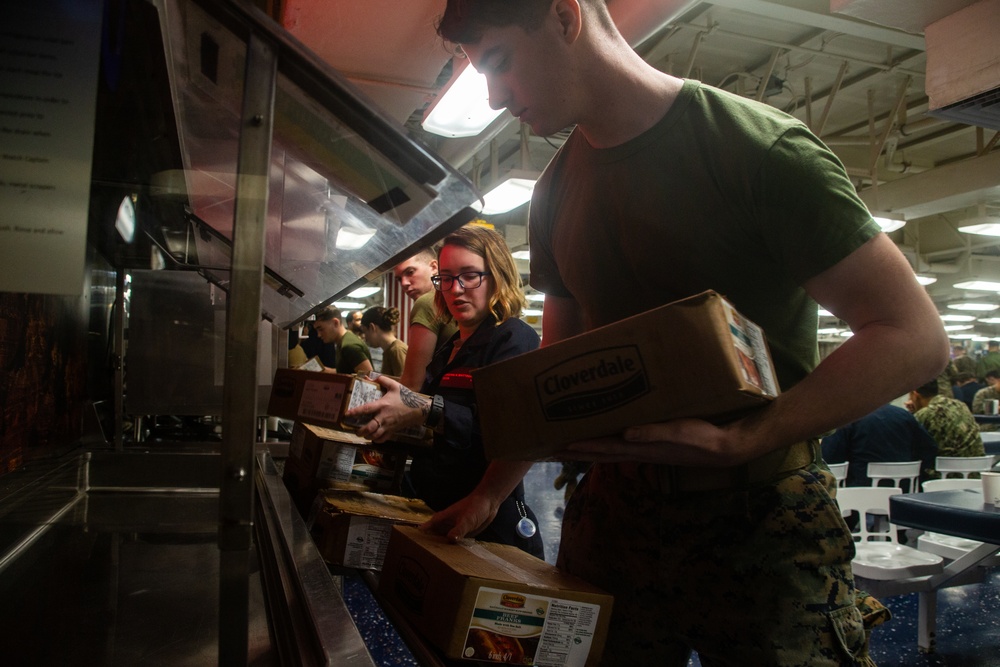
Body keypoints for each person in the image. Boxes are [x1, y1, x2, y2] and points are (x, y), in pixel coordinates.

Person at [431, 2, 949, 665]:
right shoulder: (555, 192)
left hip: (762, 519)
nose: (496, 95)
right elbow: (559, 376)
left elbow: (914, 334)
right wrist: (489, 495)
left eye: (499, 61)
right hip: (617, 517)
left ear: (565, 17)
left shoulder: (758, 150)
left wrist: (748, 437)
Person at [347, 225, 544, 558]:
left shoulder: (513, 338)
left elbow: (500, 432)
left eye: (469, 276)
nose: (456, 289)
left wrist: (425, 408)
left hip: (483, 518)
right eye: (447, 278)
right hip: (436, 504)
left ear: (496, 276)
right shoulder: (451, 346)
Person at [821, 404, 938, 490]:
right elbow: (930, 449)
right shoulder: (904, 415)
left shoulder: (847, 418)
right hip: (905, 493)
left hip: (860, 498)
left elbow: (829, 459)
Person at [393, 247, 460, 390]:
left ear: (434, 267)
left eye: (410, 272)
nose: (404, 283)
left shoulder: (426, 302)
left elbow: (412, 385)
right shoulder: (453, 299)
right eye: (399, 279)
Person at [907, 378, 986, 474]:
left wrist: (913, 413)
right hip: (975, 472)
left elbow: (912, 445)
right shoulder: (960, 405)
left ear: (915, 394)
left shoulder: (926, 414)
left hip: (945, 476)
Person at [312, 307, 373, 375]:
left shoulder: (349, 346)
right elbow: (347, 372)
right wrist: (327, 371)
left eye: (321, 329)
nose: (319, 335)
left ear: (335, 322)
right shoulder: (343, 341)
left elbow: (368, 377)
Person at [360, 306, 408, 378]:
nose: (365, 338)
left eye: (365, 332)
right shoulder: (389, 350)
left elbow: (405, 386)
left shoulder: (397, 350)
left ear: (372, 327)